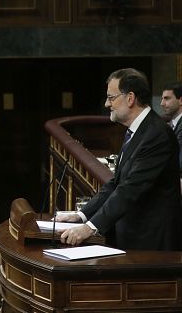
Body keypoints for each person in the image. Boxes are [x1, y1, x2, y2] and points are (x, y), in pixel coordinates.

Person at [57, 68, 182, 250]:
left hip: (151, 243)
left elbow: (131, 188)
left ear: (130, 98)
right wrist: (82, 215)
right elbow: (116, 183)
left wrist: (90, 227)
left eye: (111, 97)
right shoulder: (136, 130)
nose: (107, 103)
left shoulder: (156, 134)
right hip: (133, 236)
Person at [160, 82, 182, 178]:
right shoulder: (170, 124)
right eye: (162, 99)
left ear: (180, 100)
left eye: (167, 98)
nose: (162, 103)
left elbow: (178, 162)